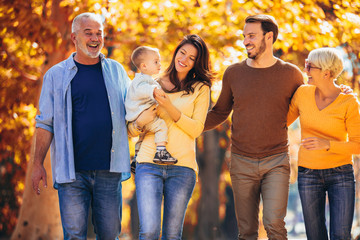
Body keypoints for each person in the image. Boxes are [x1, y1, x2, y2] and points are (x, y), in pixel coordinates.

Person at [30, 12, 154, 239]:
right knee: (75, 236)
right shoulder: (55, 76)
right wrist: (38, 164)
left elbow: (134, 109)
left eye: (99, 33)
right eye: (89, 33)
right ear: (74, 38)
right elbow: (45, 123)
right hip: (71, 172)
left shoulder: (116, 71)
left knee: (109, 235)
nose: (95, 38)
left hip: (109, 170)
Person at [204, 15, 304, 240]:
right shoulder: (233, 73)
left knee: (274, 224)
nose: (245, 41)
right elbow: (219, 112)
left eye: (251, 36)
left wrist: (338, 92)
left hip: (276, 160)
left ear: (269, 37)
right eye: (244, 36)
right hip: (241, 161)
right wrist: (185, 124)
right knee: (247, 231)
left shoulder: (292, 74)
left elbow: (309, 103)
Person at [127, 34, 213, 239]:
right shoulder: (150, 84)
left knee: (172, 235)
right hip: (148, 164)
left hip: (182, 169)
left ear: (196, 63)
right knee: (148, 231)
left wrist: (168, 106)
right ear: (176, 52)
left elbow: (196, 129)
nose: (184, 59)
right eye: (182, 52)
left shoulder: (201, 89)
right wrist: (140, 121)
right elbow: (130, 129)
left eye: (191, 57)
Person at [287, 48, 360, 240]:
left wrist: (327, 144)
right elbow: (281, 121)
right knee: (315, 235)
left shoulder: (349, 102)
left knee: (341, 234)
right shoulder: (302, 93)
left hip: (340, 174)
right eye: (306, 65)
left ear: (327, 73)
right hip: (308, 173)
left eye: (310, 66)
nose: (306, 70)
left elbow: (358, 145)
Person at [125, 46, 177, 165]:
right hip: (141, 114)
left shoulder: (147, 80)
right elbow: (141, 90)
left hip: (140, 115)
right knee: (161, 126)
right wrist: (153, 90)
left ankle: (136, 158)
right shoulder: (141, 81)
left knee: (142, 137)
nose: (159, 64)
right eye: (156, 62)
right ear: (144, 66)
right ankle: (161, 152)